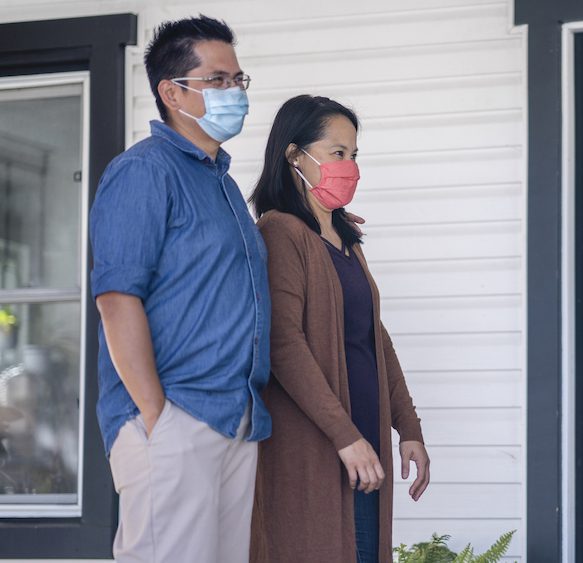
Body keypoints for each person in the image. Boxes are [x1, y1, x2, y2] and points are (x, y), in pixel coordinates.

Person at [89, 15, 270, 563]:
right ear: (172, 92)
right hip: (176, 417)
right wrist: (157, 417)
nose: (233, 91)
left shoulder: (223, 184)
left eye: (238, 80)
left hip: (236, 416)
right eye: (217, 80)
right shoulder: (144, 172)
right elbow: (116, 300)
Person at [249, 95, 429, 563]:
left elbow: (374, 337)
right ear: (295, 156)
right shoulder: (281, 232)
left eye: (354, 155)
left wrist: (407, 427)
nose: (350, 167)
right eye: (337, 153)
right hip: (319, 451)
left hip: (363, 446)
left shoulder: (346, 239)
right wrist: (344, 435)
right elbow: (282, 343)